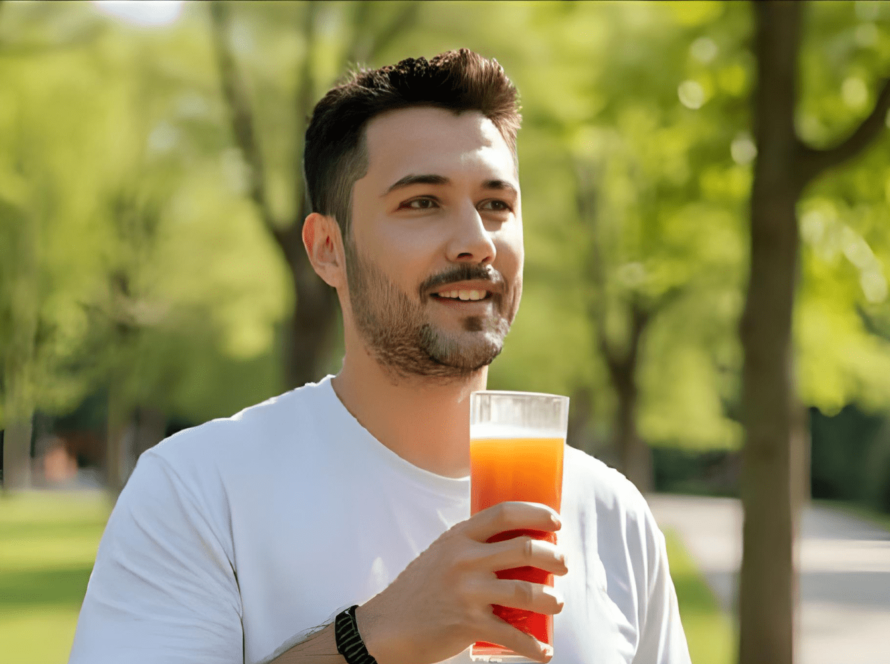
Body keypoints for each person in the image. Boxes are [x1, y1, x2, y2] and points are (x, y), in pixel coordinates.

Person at [69, 49, 691, 664]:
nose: (476, 240)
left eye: (497, 204)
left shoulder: (612, 516)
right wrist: (374, 636)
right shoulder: (200, 492)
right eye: (422, 202)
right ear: (328, 250)